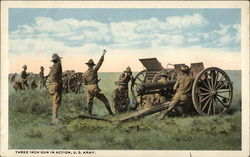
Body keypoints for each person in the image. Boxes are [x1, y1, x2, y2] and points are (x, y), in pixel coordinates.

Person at [83, 49, 114, 116]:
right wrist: (103, 54)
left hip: (88, 88)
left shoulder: (84, 73)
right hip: (94, 88)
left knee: (90, 102)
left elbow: (85, 83)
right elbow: (100, 62)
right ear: (92, 66)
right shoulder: (94, 71)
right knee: (105, 100)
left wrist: (95, 81)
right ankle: (111, 113)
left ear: (88, 65)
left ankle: (89, 114)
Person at [48, 53, 63, 124]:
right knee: (56, 102)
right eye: (59, 59)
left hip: (52, 86)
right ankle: (55, 119)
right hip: (57, 86)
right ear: (57, 60)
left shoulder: (52, 67)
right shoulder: (58, 66)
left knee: (54, 102)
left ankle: (54, 118)